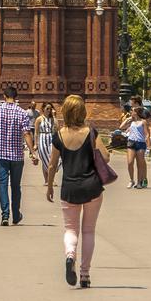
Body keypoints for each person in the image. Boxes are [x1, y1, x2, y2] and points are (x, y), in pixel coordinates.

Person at [45, 95, 108, 288]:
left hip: (69, 188)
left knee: (71, 229)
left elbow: (52, 165)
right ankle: (85, 275)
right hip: (92, 187)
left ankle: (70, 255)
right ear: (82, 112)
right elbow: (105, 157)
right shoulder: (91, 133)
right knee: (88, 231)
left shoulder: (59, 135)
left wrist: (49, 186)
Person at [0, 86, 38, 226]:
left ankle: (5, 215)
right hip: (16, 156)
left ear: (4, 96)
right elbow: (26, 133)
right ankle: (16, 215)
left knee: (2, 185)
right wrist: (33, 153)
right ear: (16, 97)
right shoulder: (22, 113)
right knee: (16, 186)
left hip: (0, 155)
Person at [119, 104, 150, 189]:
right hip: (131, 142)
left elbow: (146, 134)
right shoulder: (131, 122)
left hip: (140, 143)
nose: (130, 112)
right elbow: (121, 127)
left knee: (140, 164)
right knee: (130, 162)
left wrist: (148, 146)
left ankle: (139, 181)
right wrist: (128, 119)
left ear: (136, 112)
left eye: (132, 111)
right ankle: (131, 180)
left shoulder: (143, 122)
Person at [34, 102, 57, 186]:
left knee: (52, 159)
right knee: (44, 160)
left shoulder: (52, 119)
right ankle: (47, 180)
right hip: (42, 139)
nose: (49, 110)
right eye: (47, 108)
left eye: (50, 109)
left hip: (51, 139)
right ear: (43, 109)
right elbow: (36, 133)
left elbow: (57, 128)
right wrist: (35, 144)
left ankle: (51, 179)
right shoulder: (39, 119)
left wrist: (54, 116)